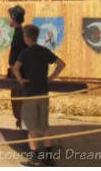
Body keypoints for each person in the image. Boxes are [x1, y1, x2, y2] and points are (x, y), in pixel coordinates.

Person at [12, 24, 66, 166]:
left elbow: (15, 68)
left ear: (26, 37)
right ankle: (48, 157)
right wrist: (52, 77)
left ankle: (35, 158)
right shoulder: (44, 51)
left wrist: (21, 80)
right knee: (44, 126)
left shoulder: (25, 53)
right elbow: (61, 64)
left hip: (30, 93)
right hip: (43, 92)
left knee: (31, 127)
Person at [6, 5, 27, 129]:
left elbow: (20, 57)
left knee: (19, 104)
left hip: (19, 73)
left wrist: (15, 71)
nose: (8, 20)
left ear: (13, 19)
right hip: (18, 72)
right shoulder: (19, 33)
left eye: (9, 17)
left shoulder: (20, 34)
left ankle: (25, 137)